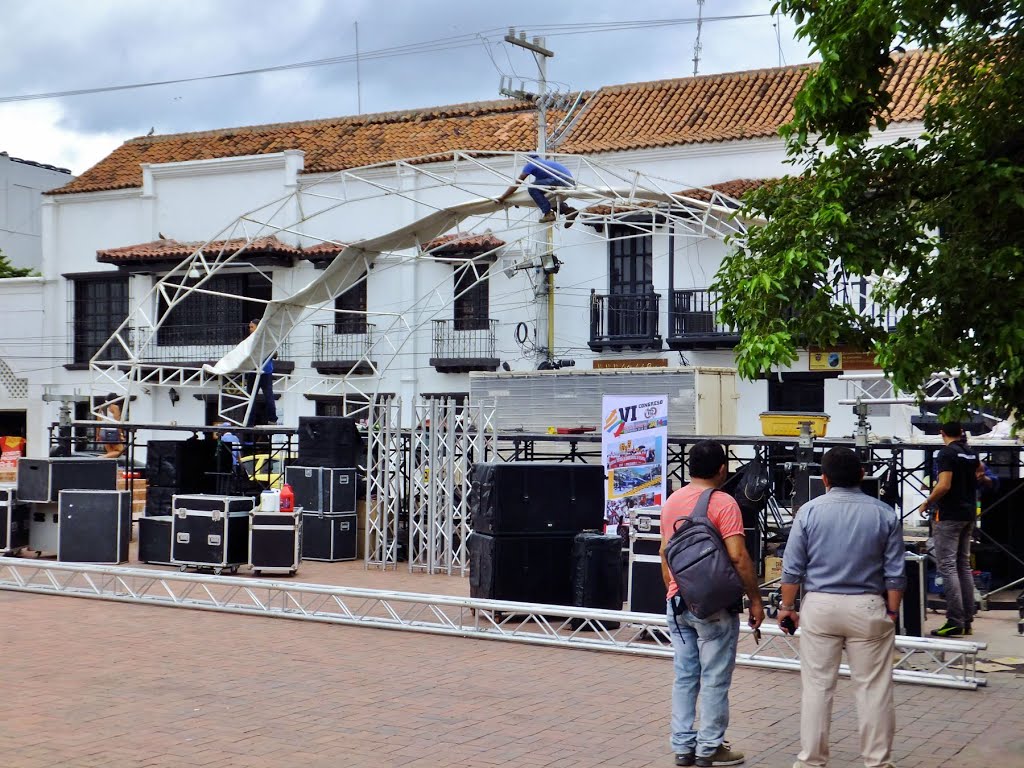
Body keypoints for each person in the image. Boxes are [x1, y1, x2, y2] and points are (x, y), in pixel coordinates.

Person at [780, 446, 905, 768]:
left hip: (820, 606)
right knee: (874, 690)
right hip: (868, 606)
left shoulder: (808, 512)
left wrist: (787, 607)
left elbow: (792, 568)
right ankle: (878, 762)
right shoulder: (884, 514)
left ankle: (811, 761)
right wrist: (891, 613)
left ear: (823, 479)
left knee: (818, 688)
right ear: (862, 476)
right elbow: (895, 573)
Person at [660, 440, 763, 767]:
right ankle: (709, 748)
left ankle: (682, 747)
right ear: (722, 469)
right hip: (715, 605)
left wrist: (676, 591)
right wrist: (755, 600)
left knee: (685, 675)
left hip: (678, 602)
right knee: (716, 676)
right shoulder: (724, 503)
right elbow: (738, 556)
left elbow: (665, 554)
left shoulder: (672, 501)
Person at [917, 421, 980, 637]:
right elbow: (980, 474)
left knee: (948, 566)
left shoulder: (946, 454)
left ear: (941, 433)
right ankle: (967, 620)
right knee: (963, 564)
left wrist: (927, 502)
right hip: (968, 513)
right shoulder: (970, 453)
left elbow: (944, 485)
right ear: (961, 432)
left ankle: (954, 620)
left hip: (949, 515)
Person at [497, 154, 579, 225]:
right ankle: (568, 211)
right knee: (543, 197)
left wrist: (503, 197)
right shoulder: (543, 164)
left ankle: (548, 214)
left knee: (532, 188)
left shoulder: (531, 164)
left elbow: (517, 184)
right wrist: (517, 201)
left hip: (562, 180)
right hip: (569, 182)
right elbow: (536, 195)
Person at [247, 319, 278, 427]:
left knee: (251, 397)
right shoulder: (268, 338)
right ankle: (272, 419)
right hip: (265, 371)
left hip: (256, 371)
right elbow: (275, 354)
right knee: (268, 395)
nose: (250, 329)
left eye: (251, 327)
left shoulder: (255, 339)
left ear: (257, 327)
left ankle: (250, 421)